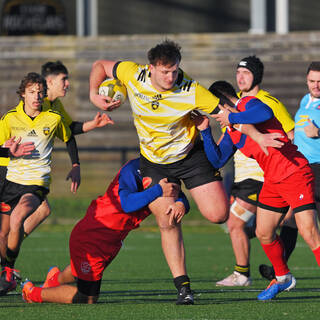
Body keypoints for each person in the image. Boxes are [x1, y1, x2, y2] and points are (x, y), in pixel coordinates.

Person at [88, 40, 282, 304]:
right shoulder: (133, 74)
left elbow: (228, 115)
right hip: (155, 163)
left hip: (190, 157)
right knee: (168, 221)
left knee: (218, 214)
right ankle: (184, 288)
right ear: (151, 68)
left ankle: (182, 198)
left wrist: (259, 137)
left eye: (175, 71)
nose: (171, 77)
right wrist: (92, 94)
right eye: (165, 72)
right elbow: (100, 65)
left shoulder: (192, 90)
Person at [193, 80, 320, 301]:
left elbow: (264, 111)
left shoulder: (248, 103)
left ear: (222, 103)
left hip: (295, 172)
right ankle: (283, 278)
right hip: (272, 181)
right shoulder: (231, 129)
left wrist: (232, 118)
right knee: (263, 232)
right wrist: (205, 131)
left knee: (309, 232)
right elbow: (218, 160)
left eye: (214, 110)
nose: (215, 115)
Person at [21, 158, 190, 304]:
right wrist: (158, 190)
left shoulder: (165, 168)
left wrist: (183, 203)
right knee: (87, 297)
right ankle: (32, 293)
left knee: (76, 272)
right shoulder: (133, 168)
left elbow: (175, 194)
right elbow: (127, 203)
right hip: (93, 236)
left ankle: (53, 280)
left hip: (111, 241)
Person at [0, 61, 113, 276]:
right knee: (13, 225)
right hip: (7, 171)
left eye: (38, 92)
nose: (68, 84)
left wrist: (78, 159)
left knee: (27, 216)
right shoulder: (14, 117)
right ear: (48, 82)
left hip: (31, 178)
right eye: (64, 79)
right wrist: (7, 151)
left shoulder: (54, 111)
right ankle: (7, 263)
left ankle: (7, 264)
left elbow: (68, 132)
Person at [216, 56, 297, 287]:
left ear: (257, 77)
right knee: (257, 228)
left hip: (261, 176)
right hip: (243, 176)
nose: (240, 77)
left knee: (235, 223)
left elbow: (290, 134)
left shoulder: (268, 102)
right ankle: (279, 274)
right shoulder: (235, 104)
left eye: (246, 73)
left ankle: (244, 274)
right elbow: (229, 139)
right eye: (238, 73)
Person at [0, 72, 74, 295]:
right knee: (2, 234)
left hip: (36, 184)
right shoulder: (9, 119)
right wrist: (8, 150)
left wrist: (77, 165)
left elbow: (70, 138)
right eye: (32, 92)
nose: (37, 96)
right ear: (23, 94)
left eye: (40, 93)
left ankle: (8, 271)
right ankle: (7, 274)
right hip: (10, 181)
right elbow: (1, 150)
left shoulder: (53, 118)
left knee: (18, 217)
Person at [259, 61, 320, 280]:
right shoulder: (306, 101)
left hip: (317, 168)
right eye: (312, 81)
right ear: (306, 80)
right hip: (301, 169)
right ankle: (279, 270)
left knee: (304, 225)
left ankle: (279, 271)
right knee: (292, 221)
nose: (316, 85)